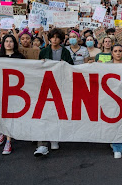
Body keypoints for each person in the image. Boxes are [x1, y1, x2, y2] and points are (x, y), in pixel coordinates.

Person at [35, 28, 73, 156]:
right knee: (44, 113)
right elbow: (38, 69)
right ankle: (42, 143)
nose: (55, 39)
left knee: (57, 112)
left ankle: (55, 138)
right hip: (46, 86)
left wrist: (65, 65)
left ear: (61, 39)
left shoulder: (66, 52)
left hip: (61, 87)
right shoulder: (44, 52)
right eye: (52, 37)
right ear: (49, 38)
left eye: (57, 37)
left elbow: (71, 68)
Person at [0, 34, 25, 155]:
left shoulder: (20, 57)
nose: (8, 43)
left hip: (15, 90)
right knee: (1, 111)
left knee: (10, 113)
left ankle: (8, 141)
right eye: (6, 41)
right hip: (1, 88)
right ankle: (2, 132)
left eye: (11, 41)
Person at [107, 44, 122, 158]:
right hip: (109, 100)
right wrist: (92, 65)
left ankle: (118, 147)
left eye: (120, 51)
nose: (118, 53)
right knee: (112, 121)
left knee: (121, 122)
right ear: (112, 53)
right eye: (115, 51)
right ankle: (113, 140)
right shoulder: (105, 66)